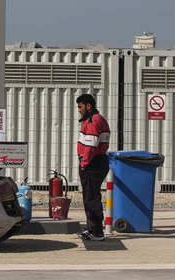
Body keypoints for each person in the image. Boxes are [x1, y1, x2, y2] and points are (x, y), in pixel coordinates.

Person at [76, 93, 110, 241]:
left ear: (88, 106)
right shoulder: (100, 119)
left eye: (80, 107)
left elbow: (90, 146)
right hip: (100, 161)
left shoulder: (92, 121)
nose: (79, 110)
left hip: (92, 164)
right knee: (92, 196)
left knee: (91, 198)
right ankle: (91, 229)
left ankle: (96, 232)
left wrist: (84, 164)